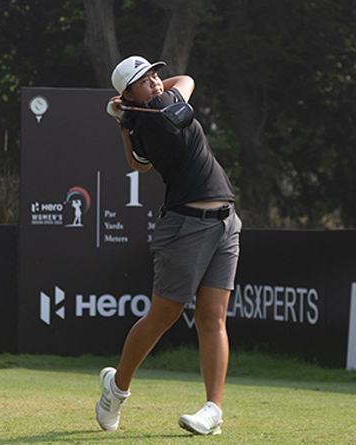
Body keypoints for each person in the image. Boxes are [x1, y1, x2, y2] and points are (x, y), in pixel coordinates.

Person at [95, 55, 241, 436]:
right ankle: (117, 389)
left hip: (226, 221)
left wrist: (122, 120)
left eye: (156, 75)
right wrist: (127, 112)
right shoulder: (160, 108)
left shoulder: (141, 120)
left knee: (212, 317)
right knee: (164, 316)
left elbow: (138, 164)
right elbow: (188, 78)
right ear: (130, 93)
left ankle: (213, 410)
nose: (157, 83)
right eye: (145, 81)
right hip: (186, 226)